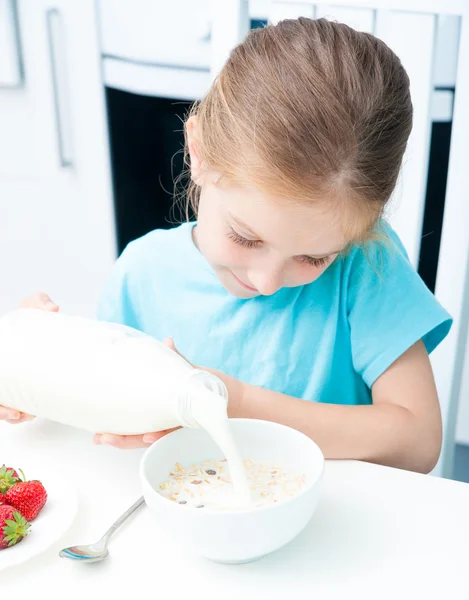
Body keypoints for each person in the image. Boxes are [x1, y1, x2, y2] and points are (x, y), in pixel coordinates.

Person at [0, 18, 451, 472]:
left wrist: (235, 402)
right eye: (246, 237)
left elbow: (417, 441)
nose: (267, 281)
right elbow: (102, 410)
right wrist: (35, 369)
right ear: (197, 152)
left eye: (314, 258)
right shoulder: (143, 274)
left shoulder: (367, 265)